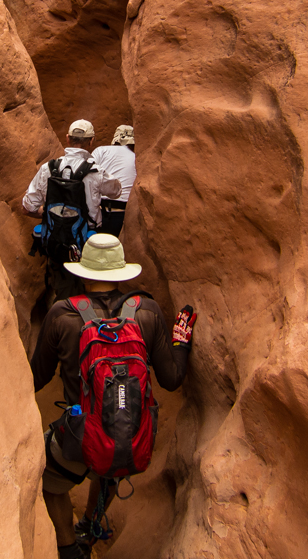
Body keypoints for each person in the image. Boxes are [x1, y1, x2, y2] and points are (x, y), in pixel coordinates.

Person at [30, 234, 197, 559]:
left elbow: (35, 377)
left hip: (78, 442)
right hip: (132, 437)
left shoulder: (62, 315)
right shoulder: (146, 312)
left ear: (83, 272)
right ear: (122, 272)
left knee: (45, 478)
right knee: (110, 446)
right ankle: (92, 525)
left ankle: (68, 548)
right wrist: (181, 339)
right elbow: (172, 378)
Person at [23, 120, 121, 300]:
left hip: (56, 242)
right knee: (90, 291)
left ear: (67, 139)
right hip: (88, 244)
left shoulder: (48, 168)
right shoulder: (95, 171)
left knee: (63, 291)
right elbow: (116, 191)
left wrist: (45, 212)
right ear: (91, 141)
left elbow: (28, 206)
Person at [91, 125, 136, 237]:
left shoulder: (101, 150)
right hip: (124, 213)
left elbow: (87, 173)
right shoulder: (136, 157)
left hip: (98, 211)